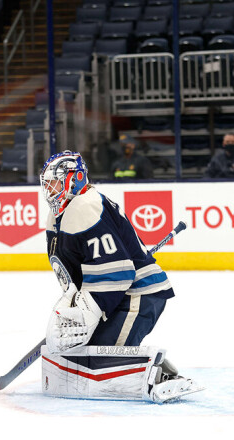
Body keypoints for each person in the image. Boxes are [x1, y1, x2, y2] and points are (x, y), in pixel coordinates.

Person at [39, 150, 202, 403]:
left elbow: (117, 272)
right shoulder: (60, 215)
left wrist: (88, 312)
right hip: (115, 298)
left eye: (56, 182)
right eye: (47, 183)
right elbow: (71, 273)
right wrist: (74, 311)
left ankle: (159, 375)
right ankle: (145, 363)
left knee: (99, 363)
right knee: (81, 355)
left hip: (138, 296)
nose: (50, 189)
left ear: (77, 178)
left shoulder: (86, 205)